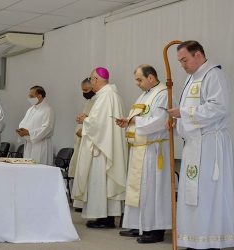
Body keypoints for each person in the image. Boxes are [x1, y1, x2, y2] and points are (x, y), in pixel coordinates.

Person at [167, 40, 234, 249]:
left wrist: (183, 113)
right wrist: (177, 118)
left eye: (185, 60)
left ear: (198, 55)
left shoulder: (213, 75)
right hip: (195, 144)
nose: (183, 65)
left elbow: (219, 108)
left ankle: (210, 242)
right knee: (191, 194)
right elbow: (189, 109)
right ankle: (195, 241)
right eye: (179, 62)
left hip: (210, 146)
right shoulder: (191, 79)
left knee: (207, 193)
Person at [116, 65, 171, 243]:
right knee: (138, 190)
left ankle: (155, 230)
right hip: (140, 148)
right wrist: (127, 121)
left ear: (151, 77)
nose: (137, 83)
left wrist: (134, 121)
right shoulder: (144, 95)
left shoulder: (163, 94)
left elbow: (160, 120)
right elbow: (138, 117)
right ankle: (138, 225)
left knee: (153, 190)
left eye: (140, 79)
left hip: (154, 149)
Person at [71, 67, 127, 229]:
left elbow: (98, 123)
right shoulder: (110, 95)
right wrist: (88, 120)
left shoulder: (106, 96)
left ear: (96, 79)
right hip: (103, 143)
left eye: (91, 79)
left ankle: (105, 218)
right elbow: (103, 121)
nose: (91, 82)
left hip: (102, 148)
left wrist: (85, 120)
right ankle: (103, 216)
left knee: (100, 181)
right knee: (102, 182)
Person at [68, 77, 96, 211]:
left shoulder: (100, 101)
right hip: (82, 141)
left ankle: (85, 202)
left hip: (90, 143)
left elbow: (97, 123)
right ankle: (80, 202)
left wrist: (84, 127)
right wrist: (81, 118)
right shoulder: (90, 101)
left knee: (88, 174)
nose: (84, 93)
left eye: (86, 90)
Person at [17, 85, 55, 165]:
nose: (29, 98)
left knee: (39, 169)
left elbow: (47, 128)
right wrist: (21, 130)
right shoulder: (31, 109)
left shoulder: (48, 110)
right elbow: (23, 123)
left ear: (40, 96)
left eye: (31, 96)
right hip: (29, 144)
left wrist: (29, 133)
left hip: (41, 145)